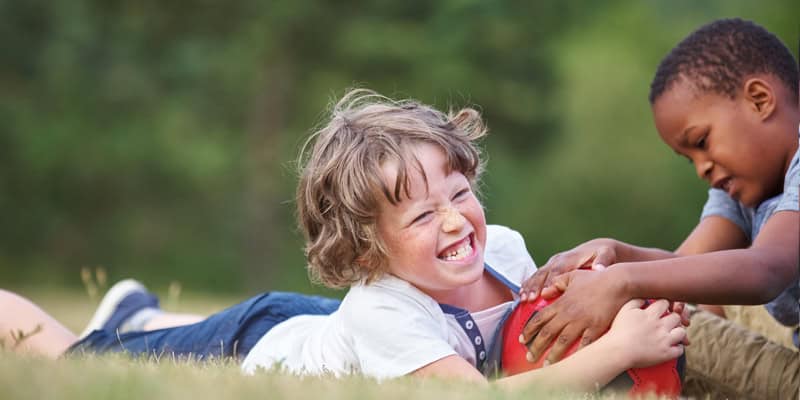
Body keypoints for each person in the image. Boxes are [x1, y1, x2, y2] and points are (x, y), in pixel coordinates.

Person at [0, 89, 687, 393]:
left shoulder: (502, 246)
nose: (454, 221)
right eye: (421, 217)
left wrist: (602, 299)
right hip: (260, 345)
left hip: (315, 325)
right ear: (366, 255)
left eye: (459, 194)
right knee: (72, 360)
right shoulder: (381, 308)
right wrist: (624, 350)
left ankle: (138, 314)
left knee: (185, 331)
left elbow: (530, 340)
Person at [517, 18, 799, 399]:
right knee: (663, 307)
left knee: (654, 323)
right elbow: (683, 268)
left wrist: (620, 282)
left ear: (760, 100)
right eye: (689, 159)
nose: (703, 168)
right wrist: (616, 255)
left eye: (702, 142)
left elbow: (767, 269)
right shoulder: (741, 187)